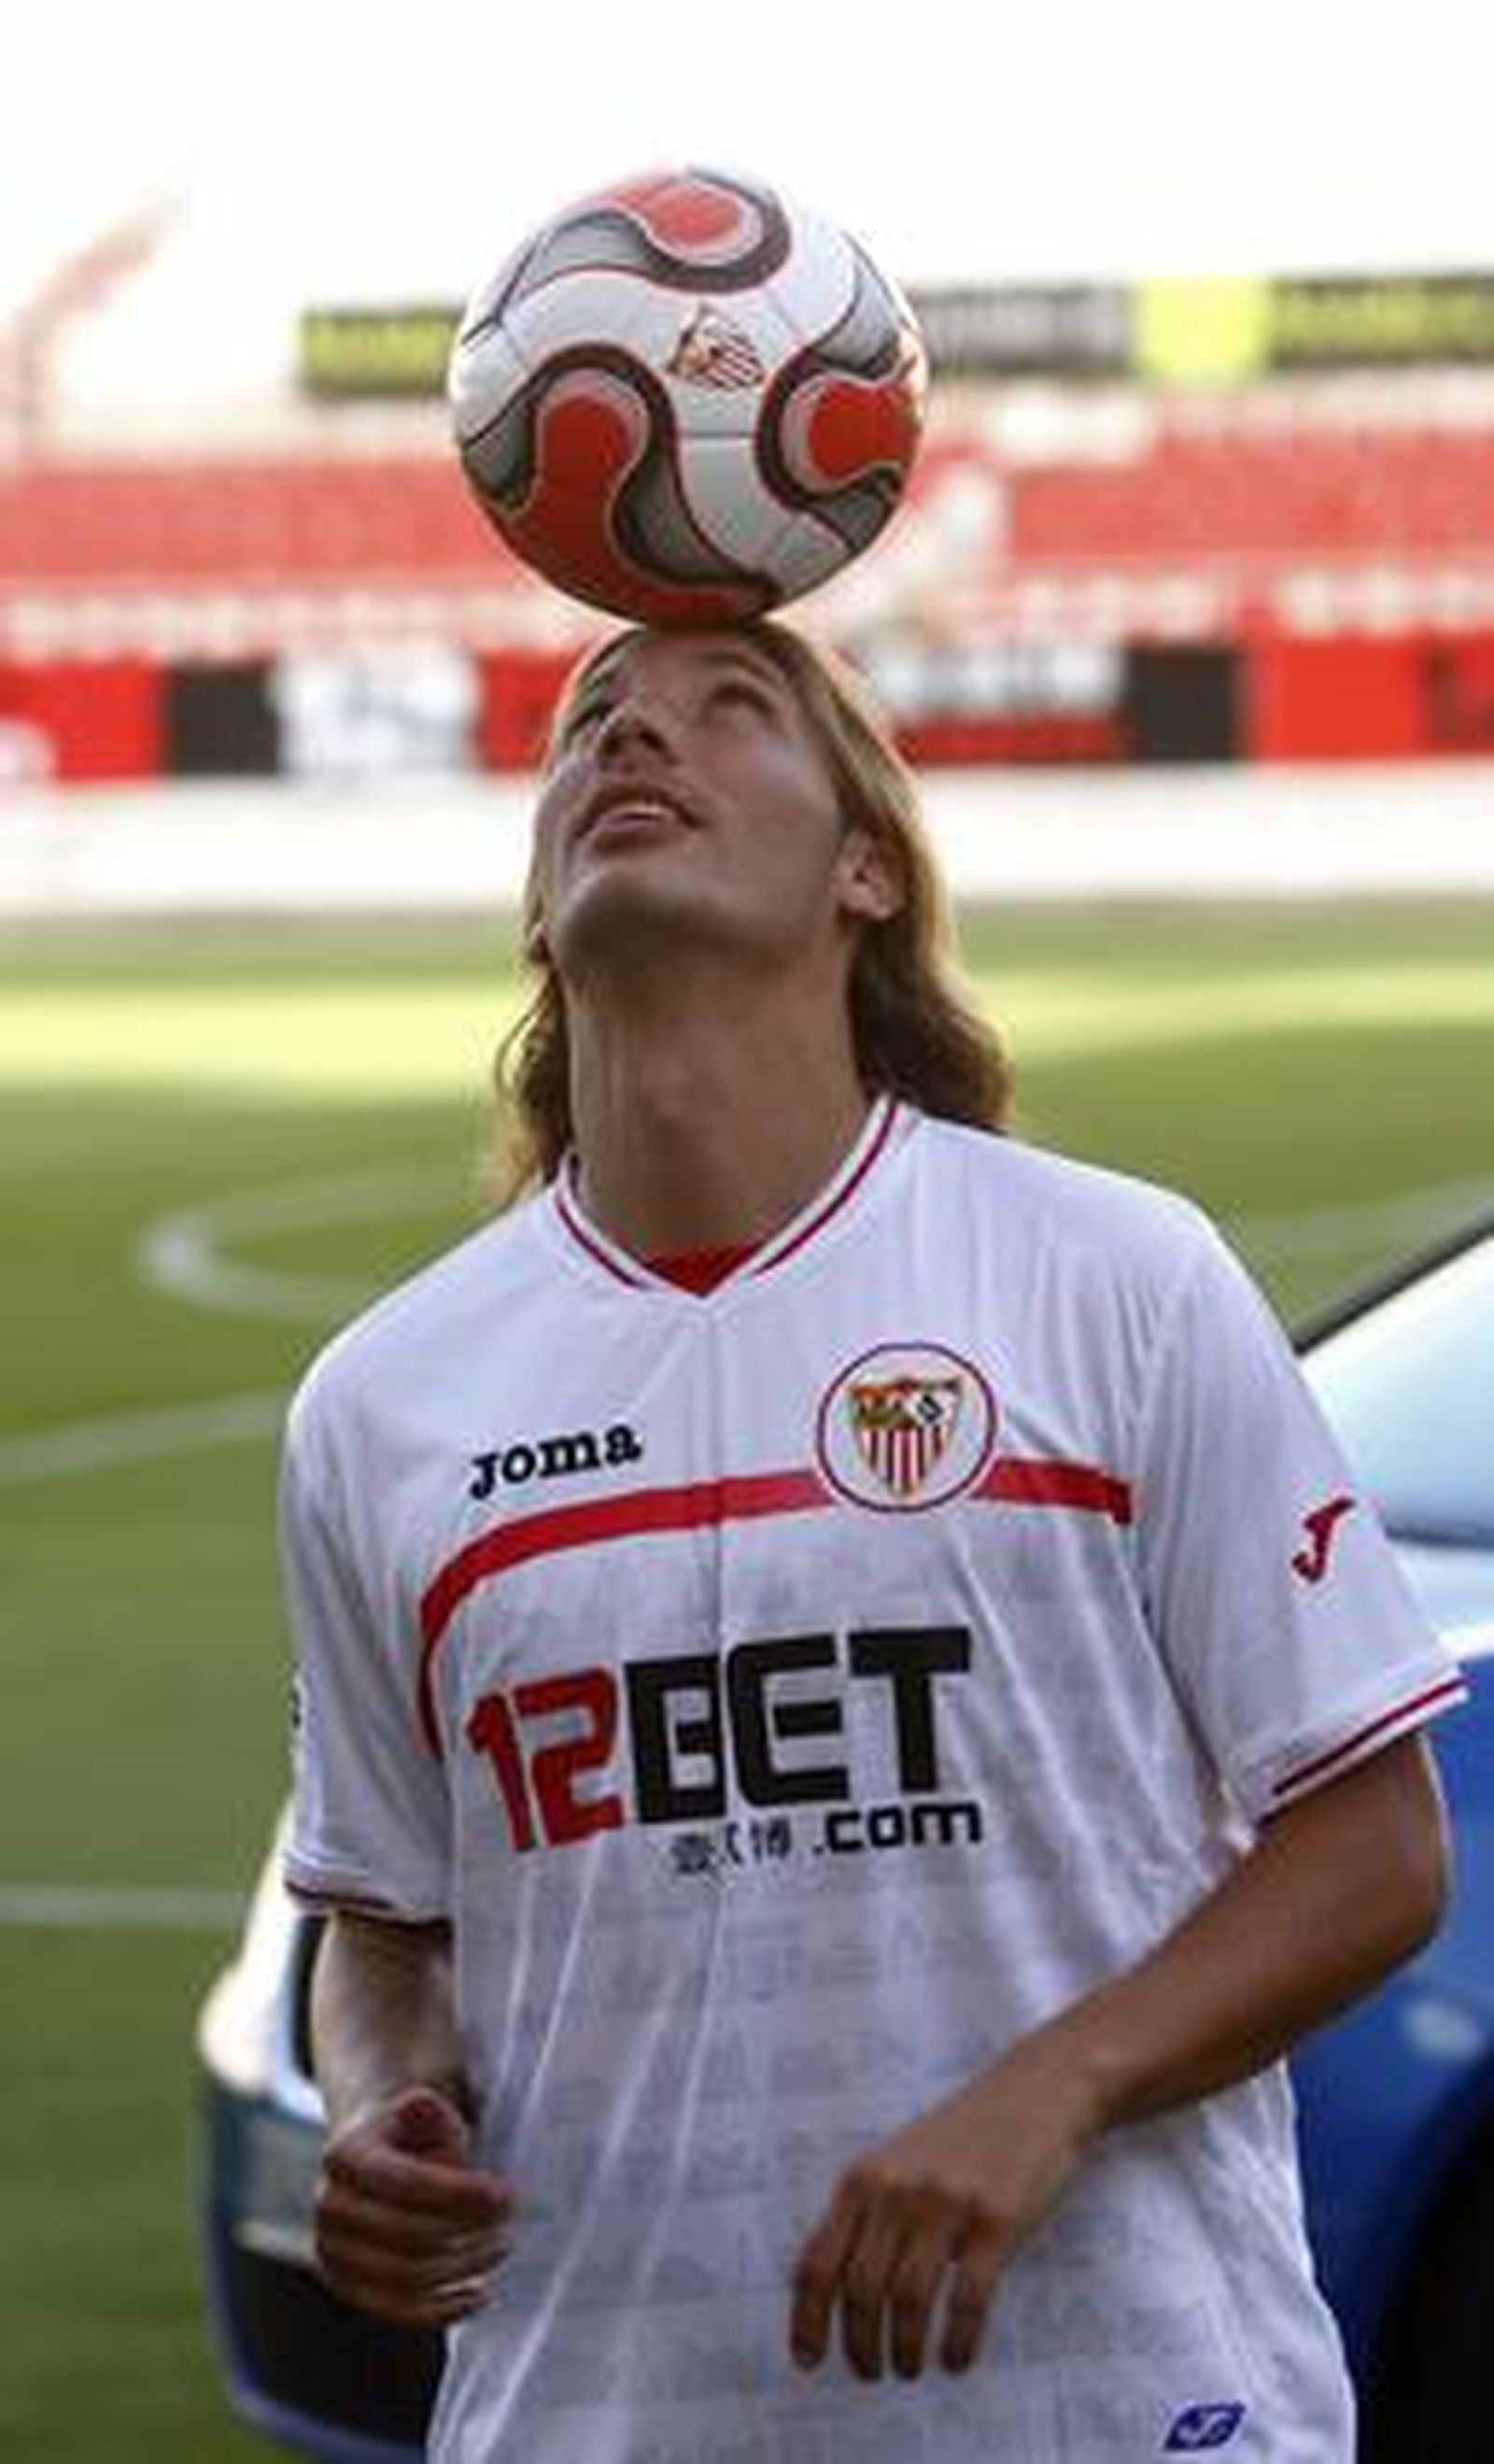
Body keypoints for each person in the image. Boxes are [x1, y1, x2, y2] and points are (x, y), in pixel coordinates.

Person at [283, 618, 1462, 2464]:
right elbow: (379, 1913)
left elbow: (1375, 1845)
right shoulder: (383, 1402)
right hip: (598, 2418)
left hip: (1116, 2408)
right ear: (538, 904)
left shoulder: (1115, 1280)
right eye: (592, 720)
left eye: (727, 709)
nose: (633, 737)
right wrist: (378, 2103)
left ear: (867, 871)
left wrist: (1054, 2086)